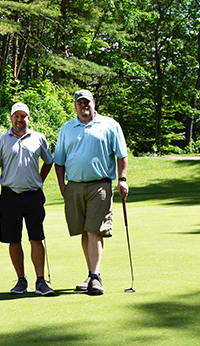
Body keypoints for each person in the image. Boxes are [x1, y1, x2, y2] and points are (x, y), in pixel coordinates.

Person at [54, 89, 129, 295]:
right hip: (75, 186)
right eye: (80, 103)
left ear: (94, 103)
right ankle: (90, 274)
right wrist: (63, 187)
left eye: (87, 102)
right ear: (75, 105)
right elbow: (58, 161)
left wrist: (122, 179)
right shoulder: (67, 129)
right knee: (85, 231)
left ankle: (95, 277)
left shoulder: (109, 125)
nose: (84, 105)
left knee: (94, 230)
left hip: (100, 185)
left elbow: (122, 155)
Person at [0, 103, 55, 296]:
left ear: (28, 118)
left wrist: (39, 181)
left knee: (36, 238)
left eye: (23, 116)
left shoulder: (39, 138)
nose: (19, 119)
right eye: (16, 116)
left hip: (33, 195)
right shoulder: (2, 141)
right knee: (13, 239)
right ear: (11, 118)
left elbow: (49, 162)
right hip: (9, 196)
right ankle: (21, 280)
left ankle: (41, 281)